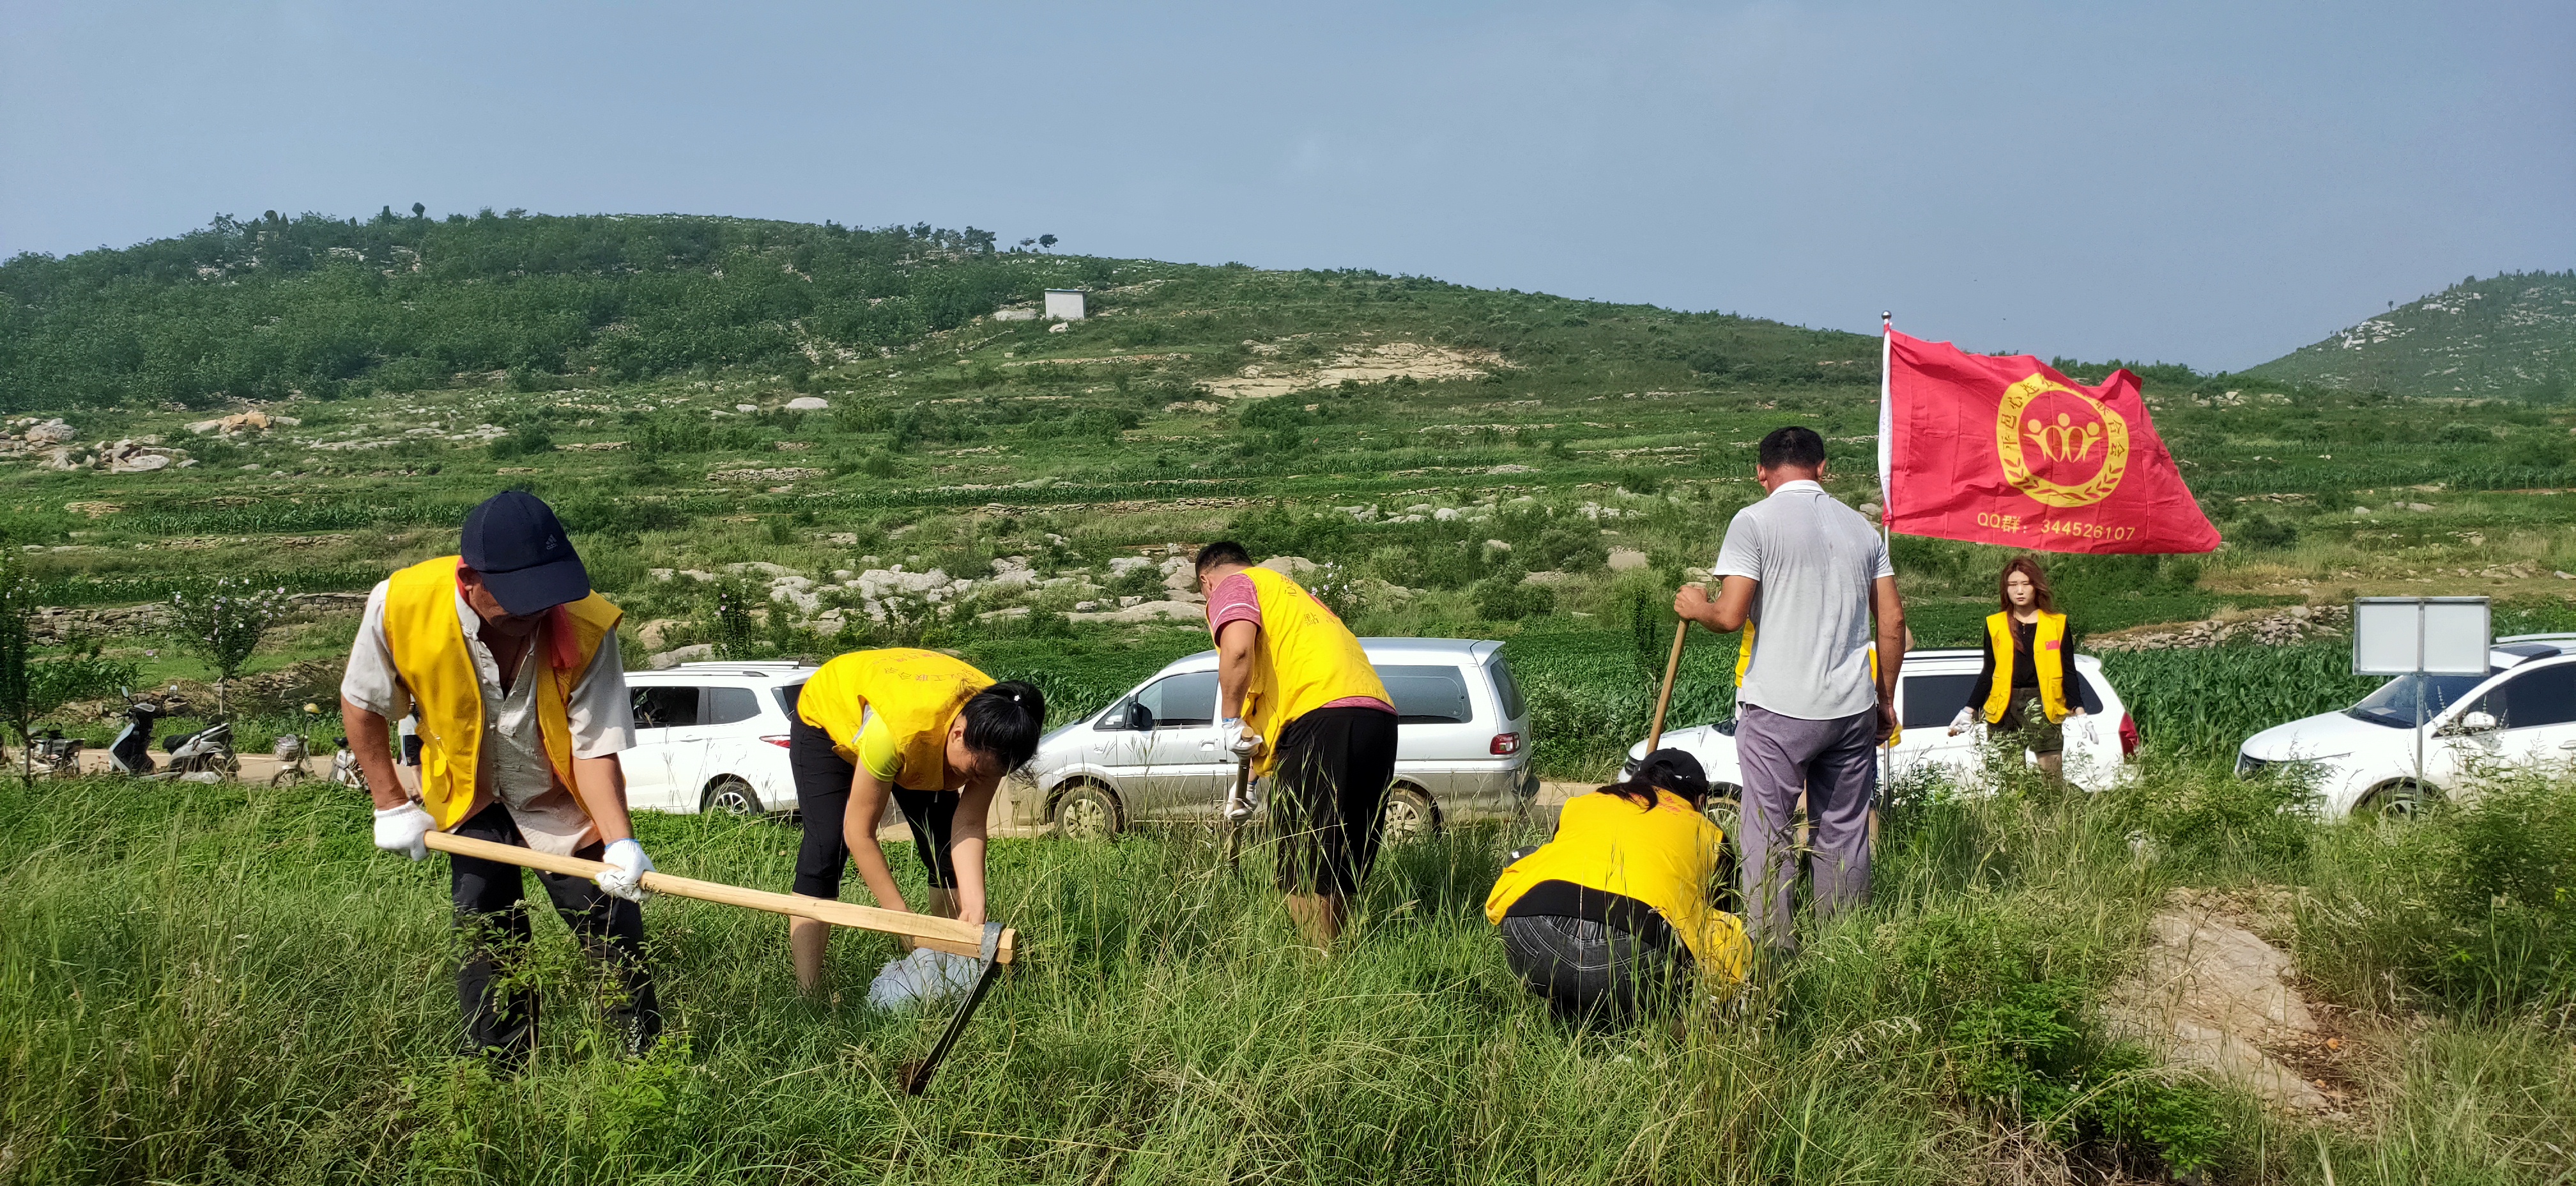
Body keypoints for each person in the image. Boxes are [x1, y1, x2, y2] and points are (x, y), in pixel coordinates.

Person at [345, 490, 659, 1063]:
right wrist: (389, 804)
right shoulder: (401, 605)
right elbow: (363, 703)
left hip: (559, 797)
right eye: (519, 606)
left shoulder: (588, 623)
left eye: (546, 601)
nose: (536, 617)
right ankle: (503, 1074)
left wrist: (619, 841)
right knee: (487, 935)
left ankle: (642, 1060)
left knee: (612, 930)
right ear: (470, 581)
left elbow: (593, 747)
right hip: (470, 795)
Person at [1672, 426, 1905, 954]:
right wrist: (1884, 699)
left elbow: (1730, 616)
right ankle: (1842, 946)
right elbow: (1891, 620)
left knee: (1767, 831)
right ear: (1824, 469)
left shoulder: (1753, 522)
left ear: (1761, 473)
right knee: (1843, 830)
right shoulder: (1862, 530)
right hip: (1851, 708)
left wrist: (1696, 608)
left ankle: (1771, 949)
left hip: (1778, 707)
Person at [788, 648, 1044, 994]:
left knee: (944, 849)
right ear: (958, 734)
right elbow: (859, 832)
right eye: (967, 773)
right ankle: (809, 993)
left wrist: (974, 903)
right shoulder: (897, 733)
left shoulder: (1001, 734)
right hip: (829, 717)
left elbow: (967, 825)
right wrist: (904, 923)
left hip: (922, 730)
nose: (965, 782)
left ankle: (949, 972)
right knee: (826, 850)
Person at [1195, 541, 1399, 948]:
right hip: (1376, 717)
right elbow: (1278, 706)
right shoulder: (1294, 600)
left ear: (1206, 580)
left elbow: (1237, 650)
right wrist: (1249, 786)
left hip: (1323, 717)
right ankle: (1336, 956)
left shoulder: (1234, 585)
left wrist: (1230, 720)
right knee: (1341, 857)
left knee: (1303, 861)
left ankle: (1317, 972)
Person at [1485, 749, 1749, 1020]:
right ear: (1701, 800)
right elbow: (1718, 927)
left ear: (1638, 779)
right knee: (1727, 931)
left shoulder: (1586, 802)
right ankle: (1670, 1024)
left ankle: (1567, 1002)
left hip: (1532, 939)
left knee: (1531, 856)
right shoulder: (1711, 835)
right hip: (1631, 957)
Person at [1952, 557, 2082, 781]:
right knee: (2012, 780)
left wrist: (2079, 709)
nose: (2019, 591)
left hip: (2043, 703)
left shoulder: (2057, 623)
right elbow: (1989, 672)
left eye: (2026, 584)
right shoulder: (1995, 624)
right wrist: (1969, 710)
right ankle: (2020, 816)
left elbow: (2068, 670)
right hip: (2005, 706)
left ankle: (2053, 816)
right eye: (2013, 585)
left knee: (2052, 778)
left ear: (2036, 586)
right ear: (2006, 590)